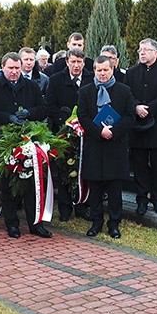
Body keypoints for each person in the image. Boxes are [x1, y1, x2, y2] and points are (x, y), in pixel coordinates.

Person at [0, 52, 51, 239]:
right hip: (5, 141)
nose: (14, 72)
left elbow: (43, 109)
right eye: (10, 68)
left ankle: (36, 224)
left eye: (17, 68)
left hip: (29, 138)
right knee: (8, 184)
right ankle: (12, 223)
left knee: (32, 184)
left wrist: (28, 113)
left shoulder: (31, 86)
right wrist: (7, 117)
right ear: (2, 67)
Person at [77, 55, 135, 239]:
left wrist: (114, 131)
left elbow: (130, 116)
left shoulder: (124, 91)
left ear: (112, 69)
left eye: (106, 70)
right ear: (94, 70)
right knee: (94, 187)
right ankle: (96, 221)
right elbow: (83, 116)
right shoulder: (86, 91)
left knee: (114, 189)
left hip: (116, 146)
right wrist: (99, 132)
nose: (102, 73)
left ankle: (114, 223)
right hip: (95, 145)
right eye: (99, 70)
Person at [124, 38, 157, 215]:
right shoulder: (131, 73)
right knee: (139, 166)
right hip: (137, 128)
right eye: (140, 50)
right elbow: (127, 94)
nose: (142, 53)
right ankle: (141, 200)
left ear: (155, 52)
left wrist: (150, 109)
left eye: (146, 50)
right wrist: (136, 106)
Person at [46, 47, 94, 221]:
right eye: (72, 62)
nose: (76, 65)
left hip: (87, 131)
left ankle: (83, 205)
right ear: (67, 62)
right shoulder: (56, 80)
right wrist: (66, 122)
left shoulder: (91, 78)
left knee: (84, 169)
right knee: (65, 169)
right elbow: (50, 106)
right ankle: (65, 208)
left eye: (79, 62)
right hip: (64, 132)